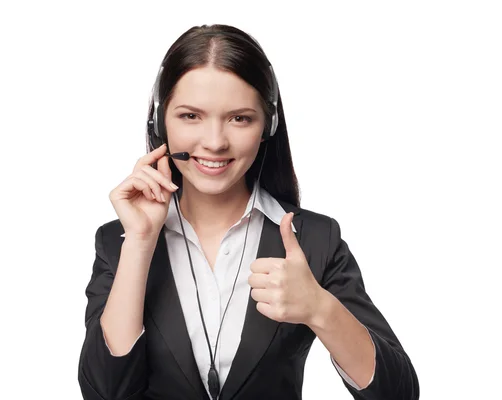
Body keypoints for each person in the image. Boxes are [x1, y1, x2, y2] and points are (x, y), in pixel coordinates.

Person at [77, 24, 419, 400]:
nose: (214, 142)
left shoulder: (314, 240)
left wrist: (321, 309)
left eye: (239, 118)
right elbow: (104, 392)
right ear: (160, 122)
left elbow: (397, 394)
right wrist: (140, 244)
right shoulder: (119, 240)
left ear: (267, 125)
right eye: (191, 116)